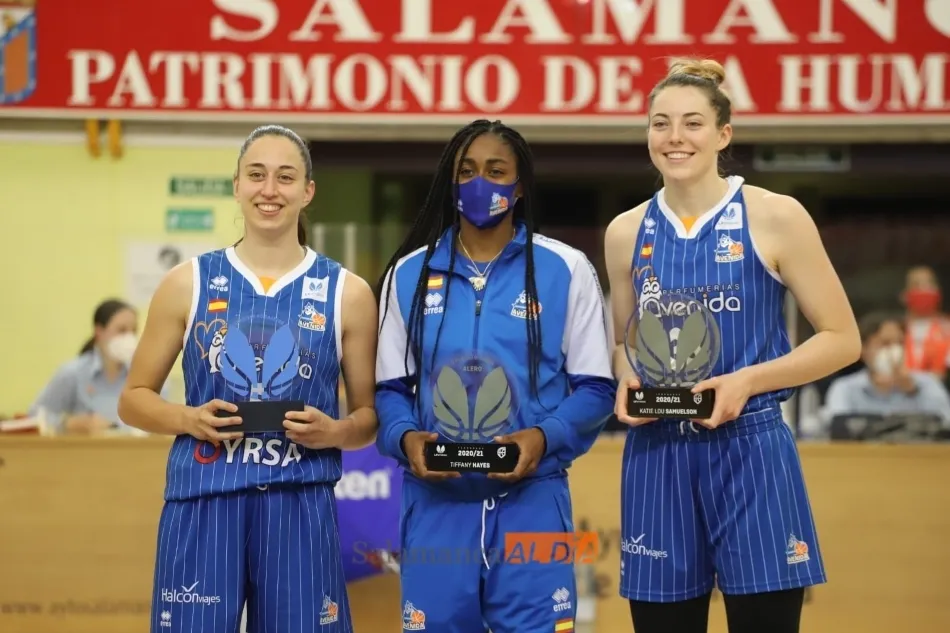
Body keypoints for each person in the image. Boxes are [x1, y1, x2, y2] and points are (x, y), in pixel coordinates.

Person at [603, 59, 861, 633]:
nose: (675, 138)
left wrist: (747, 380)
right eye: (660, 123)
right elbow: (624, 345)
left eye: (692, 123)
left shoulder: (775, 215)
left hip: (752, 449)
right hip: (657, 455)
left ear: (723, 134)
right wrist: (627, 377)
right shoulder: (625, 232)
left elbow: (843, 340)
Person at [117, 124, 379, 633]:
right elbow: (132, 399)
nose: (269, 190)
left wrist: (335, 432)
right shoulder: (186, 282)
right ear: (236, 185)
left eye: (285, 177)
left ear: (307, 191)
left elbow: (369, 417)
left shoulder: (346, 292)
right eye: (256, 175)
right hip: (205, 496)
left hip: (300, 500)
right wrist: (188, 418)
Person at [375, 119, 616, 633]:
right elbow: (391, 390)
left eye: (495, 170)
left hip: (532, 503)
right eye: (466, 171)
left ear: (520, 185)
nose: (479, 183)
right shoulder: (408, 274)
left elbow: (596, 388)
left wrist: (542, 436)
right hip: (436, 506)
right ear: (450, 181)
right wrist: (406, 438)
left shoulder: (566, 269)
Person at [31, 298, 144, 434]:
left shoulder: (143, 377)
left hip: (132, 453)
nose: (129, 337)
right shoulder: (72, 373)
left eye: (134, 331)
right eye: (122, 330)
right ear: (99, 332)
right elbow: (35, 416)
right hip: (81, 453)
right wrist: (68, 423)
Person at [822, 311, 950, 425]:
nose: (894, 351)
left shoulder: (927, 384)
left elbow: (945, 424)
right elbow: (837, 429)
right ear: (863, 350)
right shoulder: (845, 388)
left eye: (900, 343)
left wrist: (913, 391)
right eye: (885, 343)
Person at [900, 265, 950, 380]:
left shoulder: (947, 328)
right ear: (904, 296)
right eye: (916, 285)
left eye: (929, 284)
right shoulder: (896, 329)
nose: (924, 289)